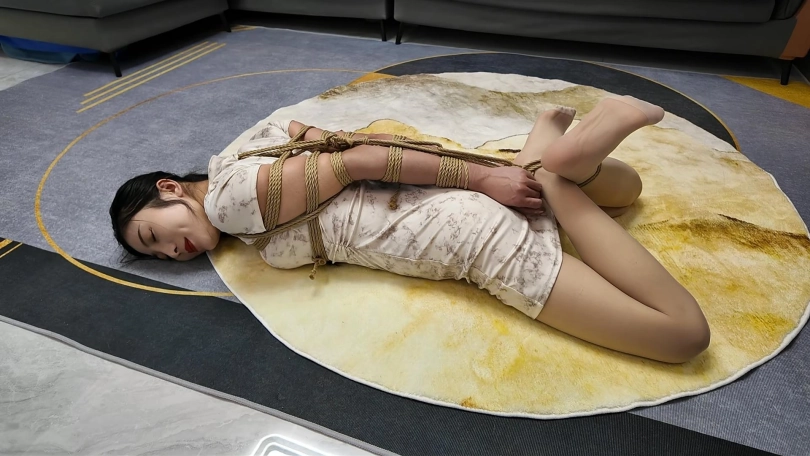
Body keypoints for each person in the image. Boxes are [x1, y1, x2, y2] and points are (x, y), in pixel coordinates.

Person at [110, 96, 710, 363]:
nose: (172, 252)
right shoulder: (246, 146)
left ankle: (553, 173)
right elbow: (338, 139)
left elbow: (359, 160)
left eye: (152, 235)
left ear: (169, 188)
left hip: (466, 235)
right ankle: (552, 143)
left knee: (683, 336)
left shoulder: (227, 206)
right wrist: (483, 172)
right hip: (443, 195)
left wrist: (484, 180)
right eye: (159, 257)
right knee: (625, 195)